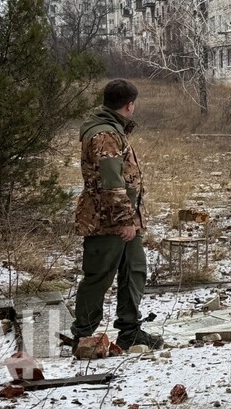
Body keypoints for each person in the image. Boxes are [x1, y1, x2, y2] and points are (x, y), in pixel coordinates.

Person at [69, 79, 163, 352]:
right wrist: (125, 221)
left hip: (124, 218)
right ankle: (83, 335)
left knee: (134, 270)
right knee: (99, 276)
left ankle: (130, 331)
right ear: (129, 105)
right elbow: (111, 183)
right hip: (106, 220)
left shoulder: (112, 129)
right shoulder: (105, 135)